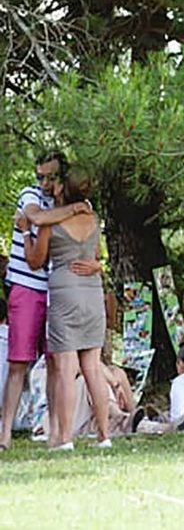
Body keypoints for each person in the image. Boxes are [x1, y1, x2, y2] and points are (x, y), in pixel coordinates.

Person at [2, 151, 100, 451]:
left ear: (63, 178)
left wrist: (99, 266)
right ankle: (4, 433)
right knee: (20, 361)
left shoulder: (79, 205)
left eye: (51, 177)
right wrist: (74, 209)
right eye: (40, 176)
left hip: (61, 290)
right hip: (28, 286)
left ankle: (54, 429)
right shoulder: (31, 195)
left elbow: (90, 246)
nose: (44, 182)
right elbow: (36, 217)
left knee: (59, 362)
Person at [23, 167, 111, 449]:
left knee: (64, 368)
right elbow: (96, 255)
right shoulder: (93, 219)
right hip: (92, 293)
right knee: (93, 367)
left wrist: (26, 235)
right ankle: (104, 436)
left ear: (63, 189)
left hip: (65, 293)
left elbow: (36, 260)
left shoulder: (50, 224)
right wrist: (97, 265)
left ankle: (64, 437)